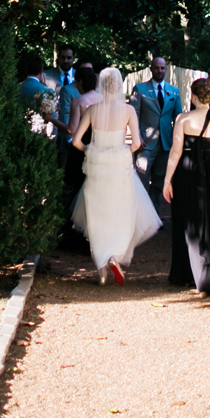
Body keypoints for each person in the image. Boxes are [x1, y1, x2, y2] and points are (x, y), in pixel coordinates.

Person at [70, 67, 161, 284]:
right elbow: (137, 143)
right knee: (120, 212)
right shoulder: (128, 110)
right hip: (119, 166)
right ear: (119, 86)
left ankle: (101, 271)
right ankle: (114, 255)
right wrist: (121, 153)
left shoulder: (92, 109)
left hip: (97, 167)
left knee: (97, 214)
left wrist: (91, 151)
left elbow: (76, 141)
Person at [162, 66, 210, 293]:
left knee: (188, 219)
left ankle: (187, 274)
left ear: (193, 96)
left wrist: (167, 180)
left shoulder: (183, 118)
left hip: (187, 171)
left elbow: (175, 152)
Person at [132, 57, 182, 217]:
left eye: (162, 68)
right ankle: (138, 215)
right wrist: (137, 138)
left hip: (166, 143)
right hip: (145, 143)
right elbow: (134, 115)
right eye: (156, 68)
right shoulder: (140, 89)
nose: (160, 71)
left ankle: (152, 215)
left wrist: (177, 140)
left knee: (160, 181)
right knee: (141, 179)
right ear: (151, 69)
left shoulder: (173, 91)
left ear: (166, 69)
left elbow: (178, 117)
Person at [60, 64, 99, 245]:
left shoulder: (79, 101)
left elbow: (72, 130)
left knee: (74, 187)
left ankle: (72, 232)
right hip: (100, 148)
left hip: (81, 149)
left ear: (81, 82)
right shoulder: (104, 100)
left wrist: (52, 120)